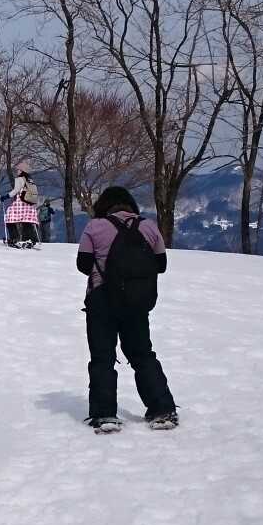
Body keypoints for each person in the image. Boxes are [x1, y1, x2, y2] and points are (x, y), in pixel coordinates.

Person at [76, 185, 177, 432]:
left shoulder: (94, 227)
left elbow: (83, 264)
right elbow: (161, 265)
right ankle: (162, 409)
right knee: (142, 354)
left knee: (102, 358)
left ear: (103, 205)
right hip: (137, 303)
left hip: (101, 300)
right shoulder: (149, 226)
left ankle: (104, 415)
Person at [5, 168, 39, 248]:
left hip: (20, 204)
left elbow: (16, 190)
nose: (17, 171)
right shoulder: (30, 180)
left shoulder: (19, 179)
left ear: (22, 171)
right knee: (27, 222)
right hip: (29, 205)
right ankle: (29, 239)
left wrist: (6, 196)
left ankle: (14, 238)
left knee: (9, 219)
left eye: (18, 170)